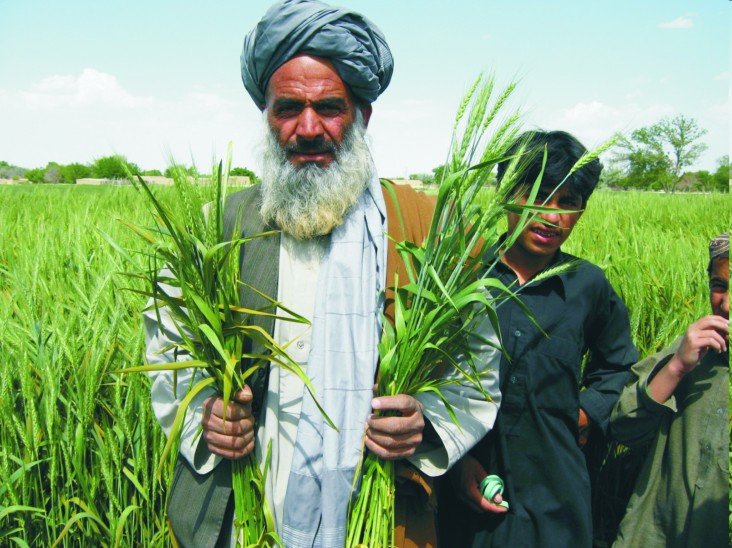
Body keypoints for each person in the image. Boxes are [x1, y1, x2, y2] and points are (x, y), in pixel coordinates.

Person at [144, 1, 501, 546]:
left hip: (377, 512)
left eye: (329, 108)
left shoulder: (425, 228)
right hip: (241, 513)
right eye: (287, 108)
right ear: (265, 115)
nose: (308, 129)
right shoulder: (220, 224)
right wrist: (205, 415)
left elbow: (477, 361)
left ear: (362, 116)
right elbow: (168, 347)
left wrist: (424, 422)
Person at [439, 130, 639, 547]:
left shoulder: (587, 286)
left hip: (555, 503)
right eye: (540, 195)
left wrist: (584, 414)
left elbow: (619, 366)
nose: (552, 216)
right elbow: (430, 382)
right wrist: (456, 462)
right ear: (507, 192)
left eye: (569, 203)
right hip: (464, 505)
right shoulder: (462, 280)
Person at [610, 233, 729, 548]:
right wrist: (676, 367)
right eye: (720, 286)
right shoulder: (692, 350)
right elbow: (623, 428)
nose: (726, 304)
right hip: (660, 534)